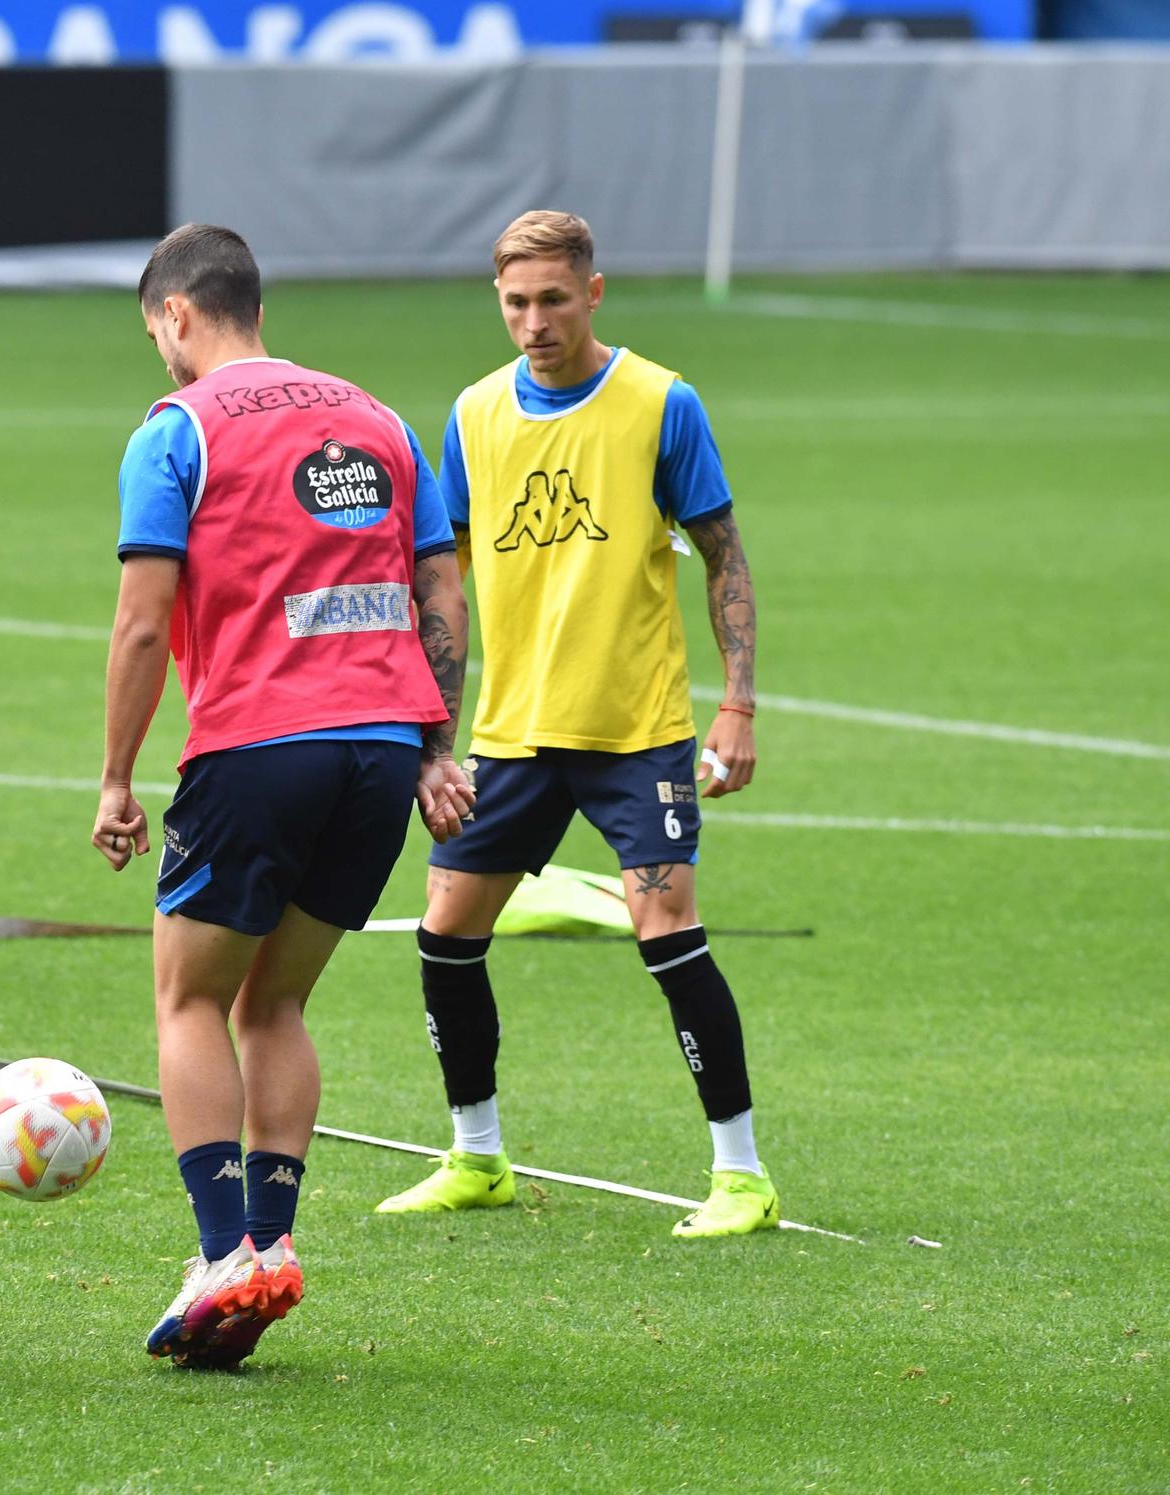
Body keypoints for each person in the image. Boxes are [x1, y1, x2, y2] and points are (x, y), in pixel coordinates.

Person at [94, 224, 475, 1368]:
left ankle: (224, 1252)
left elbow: (142, 620)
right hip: (374, 758)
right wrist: (433, 744)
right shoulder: (376, 419)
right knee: (275, 1005)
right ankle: (266, 1241)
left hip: (257, 747)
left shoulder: (177, 431)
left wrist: (116, 775)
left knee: (186, 999)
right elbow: (440, 585)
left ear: (175, 316)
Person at [376, 210, 778, 1238]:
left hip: (635, 729)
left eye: (552, 299)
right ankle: (475, 1156)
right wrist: (433, 738)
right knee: (445, 934)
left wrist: (733, 703)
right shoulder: (470, 416)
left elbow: (722, 553)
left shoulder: (659, 403)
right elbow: (445, 586)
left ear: (591, 293)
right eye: (514, 302)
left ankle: (739, 1174)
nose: (532, 321)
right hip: (512, 734)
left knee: (666, 929)